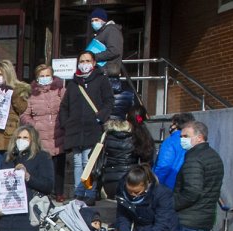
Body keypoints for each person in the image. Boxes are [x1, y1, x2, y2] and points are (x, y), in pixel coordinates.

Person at [59, 51, 113, 205]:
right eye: (81, 61)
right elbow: (65, 106)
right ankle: (78, 192)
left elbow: (109, 101)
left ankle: (89, 191)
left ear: (94, 63)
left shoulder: (101, 80)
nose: (84, 64)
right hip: (75, 128)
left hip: (93, 128)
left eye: (87, 60)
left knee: (88, 162)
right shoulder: (74, 83)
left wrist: (100, 117)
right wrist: (66, 122)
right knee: (77, 161)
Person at [0, 60, 30, 202]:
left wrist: (13, 93)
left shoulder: (18, 90)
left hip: (10, 135)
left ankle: (15, 197)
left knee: (12, 167)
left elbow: (22, 109)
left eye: (1, 74)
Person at [20, 64, 66, 201]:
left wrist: (63, 122)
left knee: (59, 165)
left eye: (47, 75)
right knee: (46, 165)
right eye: (42, 76)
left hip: (58, 132)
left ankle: (59, 192)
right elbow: (24, 115)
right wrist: (35, 125)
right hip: (41, 135)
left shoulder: (61, 90)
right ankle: (47, 191)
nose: (45, 78)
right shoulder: (31, 94)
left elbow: (67, 107)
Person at [98, 107, 154, 199]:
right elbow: (147, 162)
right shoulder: (141, 137)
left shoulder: (109, 134)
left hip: (108, 182)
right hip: (131, 181)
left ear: (127, 116)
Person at [152, 112, 194, 189]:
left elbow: (163, 166)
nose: (171, 126)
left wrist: (156, 184)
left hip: (168, 185)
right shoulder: (192, 140)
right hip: (184, 185)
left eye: (172, 124)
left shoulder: (170, 141)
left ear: (176, 124)